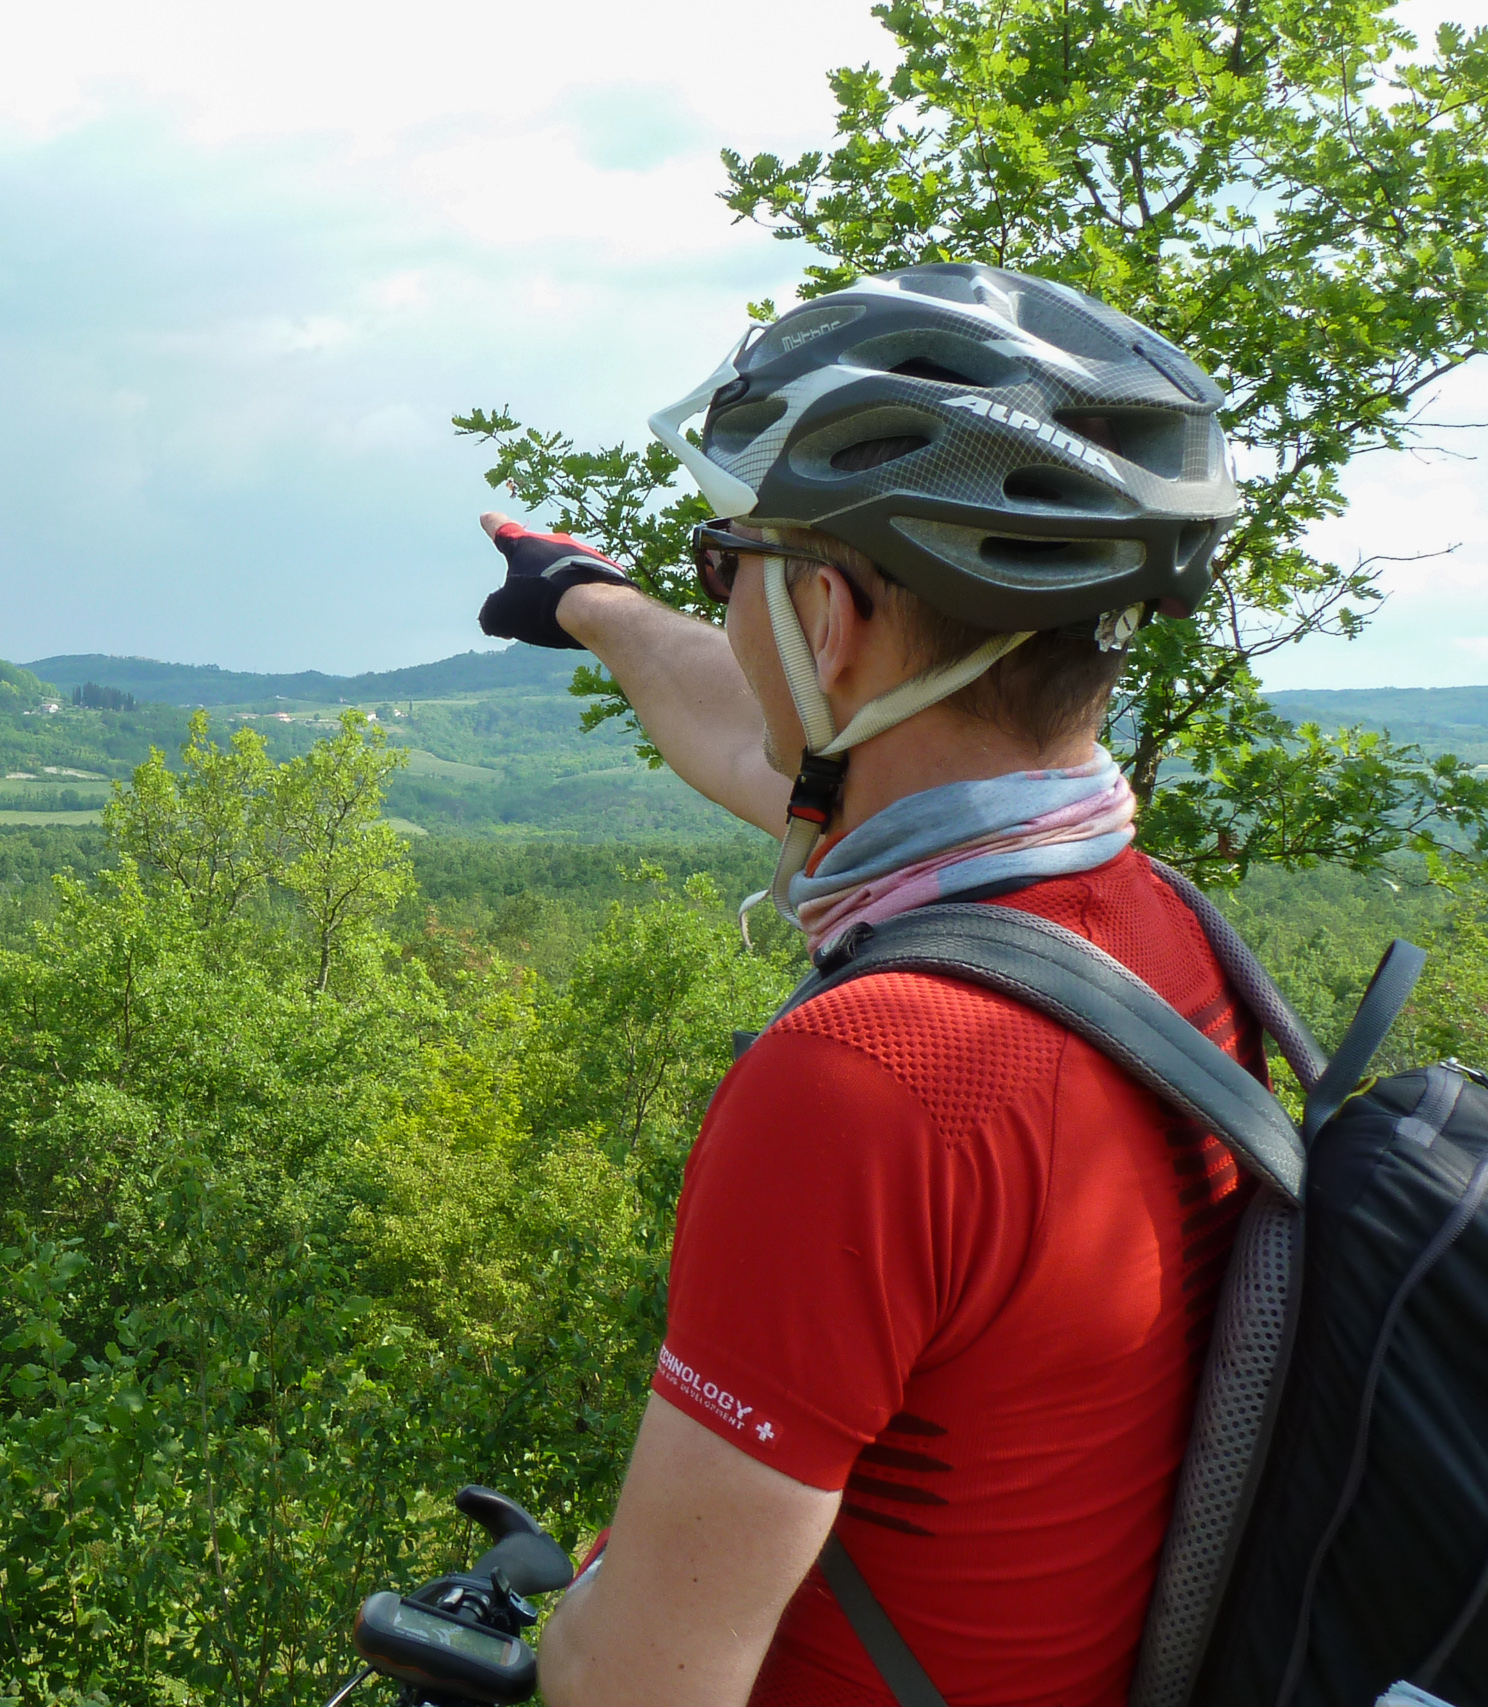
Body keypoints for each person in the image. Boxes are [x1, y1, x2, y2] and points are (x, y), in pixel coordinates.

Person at [474, 264, 1254, 1707]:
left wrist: (557, 1618)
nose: (726, 607)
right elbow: (779, 754)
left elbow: (639, 1687)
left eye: (735, 566)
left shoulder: (875, 1076)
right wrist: (593, 601)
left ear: (827, 618)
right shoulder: (1161, 944)